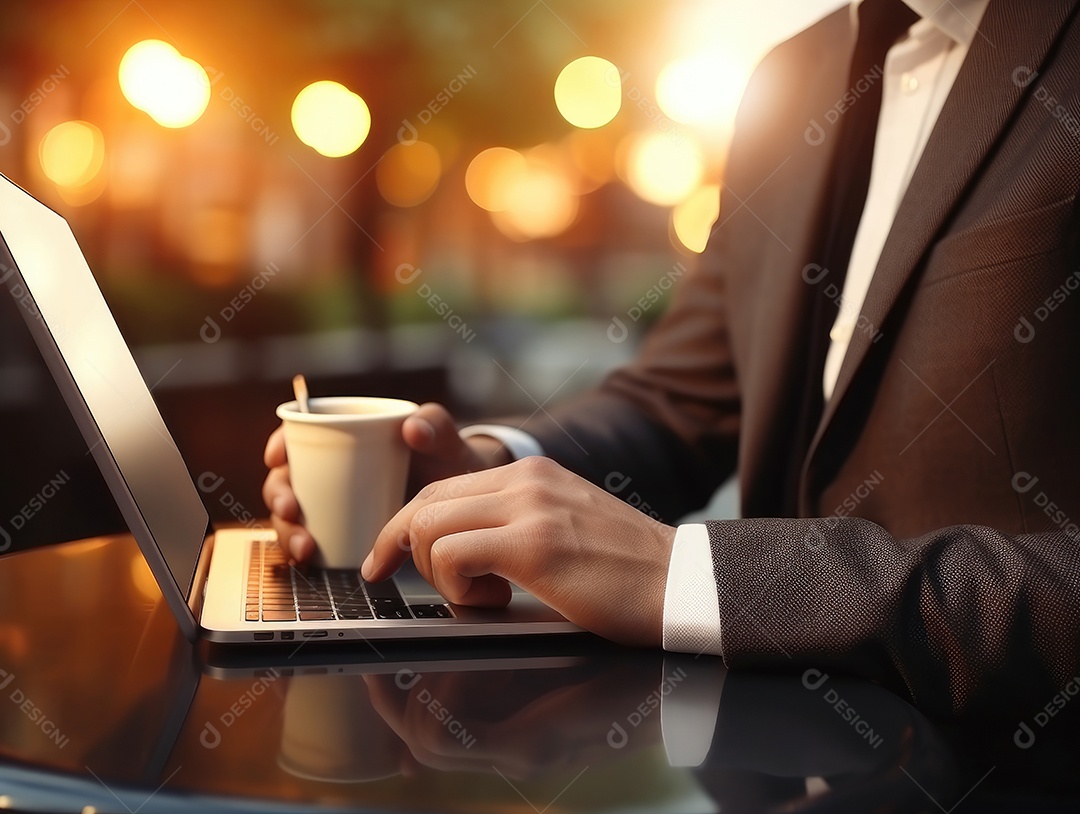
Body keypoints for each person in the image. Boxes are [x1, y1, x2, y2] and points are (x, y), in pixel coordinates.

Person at [264, 0, 1080, 715]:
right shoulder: (791, 76)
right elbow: (682, 399)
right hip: (774, 758)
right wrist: (473, 475)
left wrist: (689, 576)